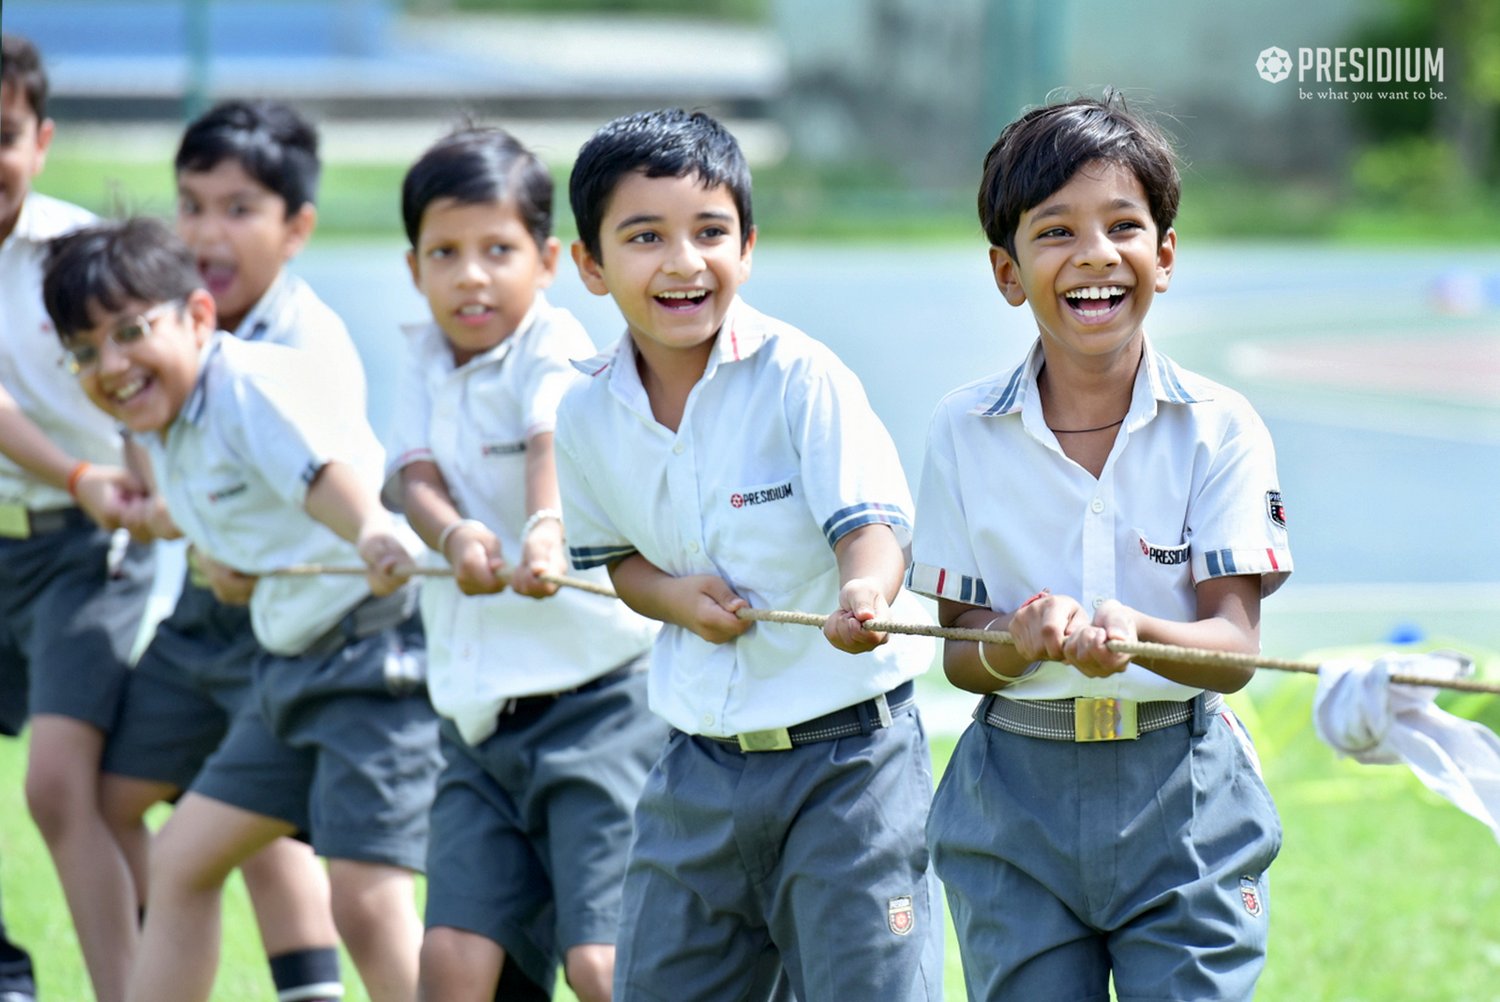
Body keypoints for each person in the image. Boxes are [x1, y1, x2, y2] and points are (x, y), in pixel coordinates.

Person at [907, 94, 1291, 1001]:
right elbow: (962, 654)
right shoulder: (961, 429)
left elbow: (1235, 654)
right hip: (1014, 798)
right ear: (1007, 271)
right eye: (1054, 232)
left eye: (1124, 225)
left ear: (1163, 255)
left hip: (1185, 795)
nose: (1093, 255)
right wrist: (1018, 635)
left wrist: (1140, 632)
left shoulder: (1220, 428)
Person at [555, 107, 943, 1002]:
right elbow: (617, 559)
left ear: (748, 246)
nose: (684, 261)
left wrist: (866, 593)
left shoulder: (800, 376)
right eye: (645, 236)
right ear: (589, 264)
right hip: (698, 764)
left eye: (710, 232)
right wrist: (675, 599)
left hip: (849, 765)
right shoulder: (584, 414)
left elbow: (872, 524)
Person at [42, 216, 442, 1002]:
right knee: (183, 859)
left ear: (197, 317)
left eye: (129, 333)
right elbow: (229, 515)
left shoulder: (250, 384)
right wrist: (213, 560)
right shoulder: (170, 424)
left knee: (366, 902)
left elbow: (320, 471)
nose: (111, 365)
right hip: (291, 670)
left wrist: (367, 528)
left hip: (373, 664)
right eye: (86, 352)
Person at [381, 124, 663, 1002]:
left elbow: (550, 433)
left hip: (600, 704)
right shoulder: (422, 357)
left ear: (544, 260)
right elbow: (411, 473)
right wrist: (454, 536)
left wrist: (546, 526)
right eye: (446, 252)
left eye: (496, 250)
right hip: (477, 717)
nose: (471, 275)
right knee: (453, 965)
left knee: (602, 966)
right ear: (414, 266)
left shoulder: (556, 343)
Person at [96, 98, 362, 1002]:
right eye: (191, 202)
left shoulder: (302, 347)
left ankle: (309, 989)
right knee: (121, 793)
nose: (207, 229)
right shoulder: (156, 318)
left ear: (297, 228)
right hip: (211, 607)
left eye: (238, 208)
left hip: (301, 613)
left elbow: (327, 488)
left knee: (265, 828)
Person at [0, 33, 156, 1002]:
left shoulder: (72, 254)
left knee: (68, 786)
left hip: (81, 548)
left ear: (41, 138)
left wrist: (132, 489)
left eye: (2, 135)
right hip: (58, 500)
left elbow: (143, 387)